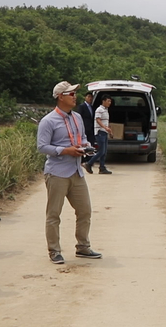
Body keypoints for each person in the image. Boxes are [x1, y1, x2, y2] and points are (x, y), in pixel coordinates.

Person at [37, 81, 102, 264]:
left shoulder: (77, 117)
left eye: (74, 93)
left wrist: (86, 147)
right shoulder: (48, 121)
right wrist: (66, 150)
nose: (75, 96)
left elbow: (82, 138)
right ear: (60, 97)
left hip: (75, 170)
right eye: (71, 94)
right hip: (57, 172)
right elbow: (42, 146)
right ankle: (54, 251)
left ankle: (83, 246)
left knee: (85, 211)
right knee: (54, 214)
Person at [85, 94, 113, 175]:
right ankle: (89, 163)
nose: (109, 103)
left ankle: (102, 167)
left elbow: (106, 121)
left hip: (104, 132)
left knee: (104, 152)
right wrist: (105, 127)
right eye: (108, 101)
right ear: (103, 101)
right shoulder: (99, 109)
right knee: (101, 151)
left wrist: (109, 131)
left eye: (110, 101)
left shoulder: (105, 110)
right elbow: (98, 120)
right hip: (100, 132)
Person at [77, 92, 96, 167]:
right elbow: (79, 117)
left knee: (90, 143)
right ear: (85, 97)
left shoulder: (92, 107)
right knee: (82, 144)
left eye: (91, 97)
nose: (90, 98)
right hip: (84, 128)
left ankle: (89, 159)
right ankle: (82, 159)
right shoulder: (82, 106)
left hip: (91, 128)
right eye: (88, 97)